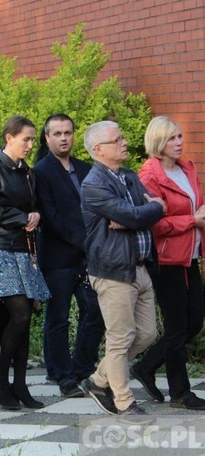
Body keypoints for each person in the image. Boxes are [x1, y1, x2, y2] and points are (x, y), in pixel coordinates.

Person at [80, 120, 165, 422]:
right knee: (120, 339)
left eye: (123, 137)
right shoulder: (93, 185)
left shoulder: (128, 176)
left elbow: (144, 212)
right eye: (118, 139)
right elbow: (133, 214)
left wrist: (146, 212)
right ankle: (125, 403)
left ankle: (99, 379)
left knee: (147, 333)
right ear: (99, 149)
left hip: (139, 267)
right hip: (113, 271)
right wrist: (143, 212)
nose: (125, 142)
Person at [0, 115, 51, 410]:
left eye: (33, 140)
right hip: (0, 249)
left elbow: (34, 207)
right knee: (19, 313)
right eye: (26, 139)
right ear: (9, 137)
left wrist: (36, 215)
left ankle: (18, 384)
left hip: (25, 250)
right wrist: (22, 218)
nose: (31, 145)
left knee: (25, 317)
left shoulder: (28, 173)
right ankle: (2, 380)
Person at [130, 116, 205, 410]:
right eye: (173, 138)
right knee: (177, 326)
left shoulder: (187, 169)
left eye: (180, 136)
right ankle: (180, 393)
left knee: (193, 322)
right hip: (166, 259)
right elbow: (154, 223)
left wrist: (198, 214)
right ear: (159, 142)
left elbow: (193, 206)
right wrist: (192, 220)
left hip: (190, 255)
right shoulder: (149, 175)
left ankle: (146, 366)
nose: (180, 142)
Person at [33, 114, 104, 398]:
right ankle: (63, 375)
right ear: (47, 138)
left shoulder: (86, 168)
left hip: (88, 256)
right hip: (58, 257)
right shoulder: (41, 172)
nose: (64, 138)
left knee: (95, 311)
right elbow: (50, 217)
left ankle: (82, 367)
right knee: (58, 317)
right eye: (57, 133)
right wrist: (85, 241)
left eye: (68, 133)